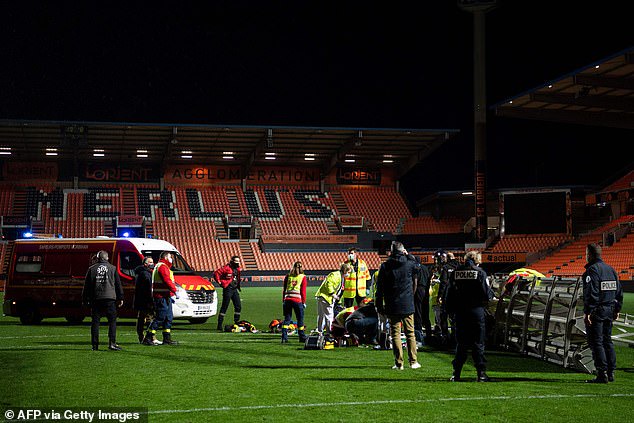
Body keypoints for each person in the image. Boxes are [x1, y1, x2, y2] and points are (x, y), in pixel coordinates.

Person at [445, 250, 493, 382]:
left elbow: (449, 294)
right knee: (478, 343)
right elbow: (486, 294)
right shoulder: (480, 273)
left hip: (460, 312)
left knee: (461, 344)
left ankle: (457, 373)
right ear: (477, 260)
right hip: (476, 311)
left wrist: (449, 310)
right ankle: (481, 374)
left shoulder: (455, 272)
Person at [375, 241, 421, 370]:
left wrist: (379, 305)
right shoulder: (409, 263)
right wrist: (409, 255)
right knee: (410, 333)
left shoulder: (385, 266)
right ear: (402, 250)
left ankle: (399, 363)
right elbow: (418, 267)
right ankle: (413, 361)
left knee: (395, 334)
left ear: (391, 251)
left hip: (392, 304)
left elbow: (380, 289)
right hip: (407, 303)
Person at [582, 243, 623, 383]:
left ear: (590, 255)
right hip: (609, 310)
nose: (585, 256)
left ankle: (601, 373)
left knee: (596, 342)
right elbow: (619, 292)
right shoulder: (611, 270)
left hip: (597, 311)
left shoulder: (592, 271)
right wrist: (617, 309)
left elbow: (591, 293)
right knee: (607, 341)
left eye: (586, 253)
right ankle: (611, 372)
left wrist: (588, 311)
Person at [82, 250, 124, 351]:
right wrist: (120, 297)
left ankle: (95, 345)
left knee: (95, 322)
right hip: (110, 298)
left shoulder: (91, 269)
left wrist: (84, 299)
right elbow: (118, 285)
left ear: (98, 258)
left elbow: (86, 286)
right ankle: (112, 343)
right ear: (107, 258)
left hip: (96, 298)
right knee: (112, 322)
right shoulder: (112, 268)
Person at [143, 251, 178, 346]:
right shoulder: (162, 267)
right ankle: (149, 337)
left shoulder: (162, 266)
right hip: (161, 296)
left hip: (165, 295)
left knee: (168, 317)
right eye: (170, 257)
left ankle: (167, 338)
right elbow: (167, 280)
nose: (171, 259)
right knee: (160, 317)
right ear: (166, 257)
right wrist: (175, 290)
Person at [315, 263, 352, 336]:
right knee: (329, 316)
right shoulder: (336, 275)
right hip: (326, 297)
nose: (349, 274)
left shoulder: (339, 276)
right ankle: (329, 332)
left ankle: (320, 331)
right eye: (348, 272)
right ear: (345, 271)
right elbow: (329, 284)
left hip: (323, 296)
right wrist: (332, 294)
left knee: (321, 315)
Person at [214, 255, 243, 331]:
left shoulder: (238, 269)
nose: (237, 262)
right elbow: (216, 273)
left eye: (238, 261)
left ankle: (236, 322)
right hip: (228, 289)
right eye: (236, 261)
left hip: (234, 289)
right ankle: (219, 325)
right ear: (232, 261)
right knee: (225, 306)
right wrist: (219, 282)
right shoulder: (226, 268)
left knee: (238, 306)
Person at [281, 261, 308, 343]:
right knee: (300, 319)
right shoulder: (302, 277)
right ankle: (301, 337)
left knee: (287, 319)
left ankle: (284, 337)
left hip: (287, 299)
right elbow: (303, 291)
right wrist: (303, 302)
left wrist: (283, 300)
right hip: (297, 300)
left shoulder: (288, 276)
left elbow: (284, 289)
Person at [133, 256, 155, 344]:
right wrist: (151, 300)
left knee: (141, 318)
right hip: (145, 300)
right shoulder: (145, 274)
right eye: (150, 262)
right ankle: (149, 337)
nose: (152, 264)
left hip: (140, 300)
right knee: (148, 318)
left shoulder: (140, 272)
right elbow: (148, 289)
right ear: (145, 264)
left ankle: (142, 337)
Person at [413, 255, 431, 347]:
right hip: (426, 290)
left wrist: (413, 293)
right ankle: (428, 333)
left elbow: (415, 281)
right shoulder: (426, 268)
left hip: (418, 290)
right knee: (426, 311)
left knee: (418, 312)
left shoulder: (416, 268)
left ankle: (419, 332)